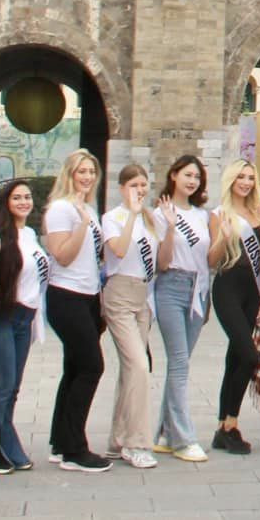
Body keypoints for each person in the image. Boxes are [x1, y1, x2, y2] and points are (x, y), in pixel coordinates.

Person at [41, 150, 112, 471]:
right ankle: (75, 448)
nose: (86, 177)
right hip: (65, 296)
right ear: (68, 174)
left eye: (91, 172)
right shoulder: (60, 209)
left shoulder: (87, 208)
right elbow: (62, 256)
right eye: (81, 171)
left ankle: (60, 441)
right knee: (92, 367)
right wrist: (82, 226)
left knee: (74, 370)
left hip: (87, 297)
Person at [0, 178, 47, 475]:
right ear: (6, 202)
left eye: (27, 197)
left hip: (25, 317)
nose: (24, 202)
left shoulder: (30, 234)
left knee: (12, 386)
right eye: (17, 197)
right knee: (4, 383)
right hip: (0, 314)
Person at [101, 163, 167, 467]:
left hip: (143, 297)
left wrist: (170, 227)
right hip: (119, 295)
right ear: (121, 188)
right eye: (133, 185)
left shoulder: (150, 219)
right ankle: (138, 442)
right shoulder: (112, 218)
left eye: (143, 185)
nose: (140, 191)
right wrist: (130, 213)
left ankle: (118, 439)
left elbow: (162, 261)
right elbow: (118, 249)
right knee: (140, 365)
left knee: (131, 371)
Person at [210, 158, 260, 454]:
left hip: (253, 292)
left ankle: (225, 426)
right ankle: (230, 426)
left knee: (236, 359)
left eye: (251, 177)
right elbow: (211, 261)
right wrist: (223, 238)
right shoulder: (219, 214)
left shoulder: (258, 213)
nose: (247, 182)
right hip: (227, 289)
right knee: (250, 357)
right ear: (231, 181)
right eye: (241, 177)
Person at [153, 155, 213, 462]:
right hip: (170, 288)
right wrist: (171, 229)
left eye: (197, 177)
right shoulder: (161, 213)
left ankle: (165, 433)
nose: (192, 181)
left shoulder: (203, 215)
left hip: (198, 290)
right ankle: (184, 438)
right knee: (179, 363)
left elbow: (209, 260)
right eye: (188, 175)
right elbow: (161, 263)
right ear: (174, 175)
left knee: (181, 363)